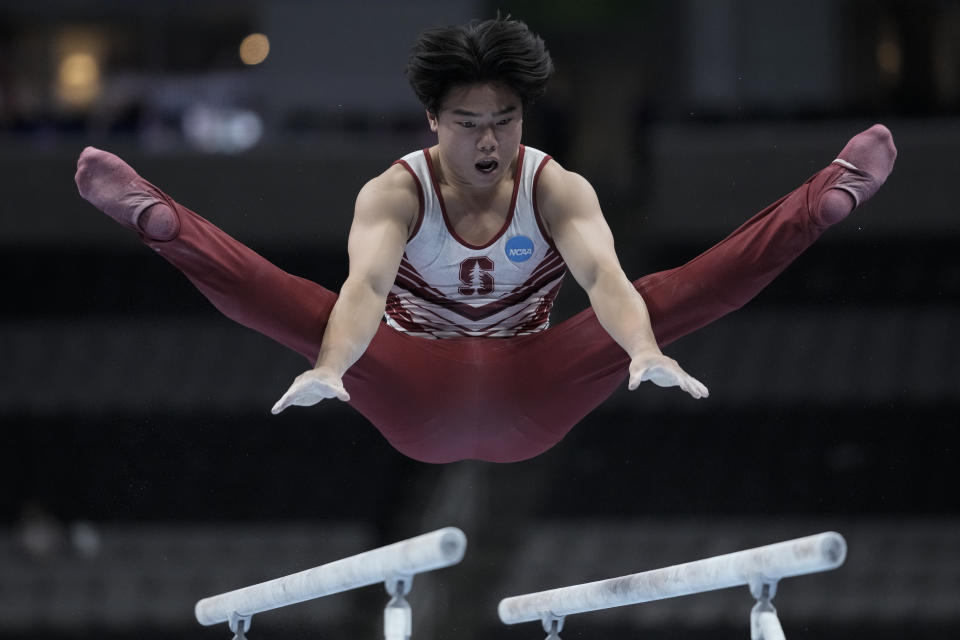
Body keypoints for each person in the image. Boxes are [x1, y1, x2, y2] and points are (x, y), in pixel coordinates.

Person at [74, 17, 896, 464]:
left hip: (533, 388)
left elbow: (605, 278)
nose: (489, 142)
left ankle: (821, 201)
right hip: (415, 391)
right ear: (434, 122)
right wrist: (331, 370)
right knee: (311, 310)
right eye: (469, 123)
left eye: (505, 119)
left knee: (660, 300)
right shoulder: (395, 193)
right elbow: (363, 291)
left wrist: (642, 353)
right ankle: (163, 221)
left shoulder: (557, 188)